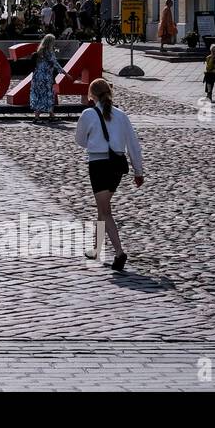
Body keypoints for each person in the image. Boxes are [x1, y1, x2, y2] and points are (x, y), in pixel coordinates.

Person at [74, 79, 144, 272]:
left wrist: (94, 140)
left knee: (105, 212)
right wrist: (138, 171)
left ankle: (119, 252)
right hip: (116, 166)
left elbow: (79, 140)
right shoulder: (121, 115)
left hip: (98, 165)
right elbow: (133, 145)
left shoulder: (88, 114)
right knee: (102, 208)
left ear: (91, 95)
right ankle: (96, 249)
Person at [30, 34, 62, 119]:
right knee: (48, 94)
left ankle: (44, 115)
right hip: (46, 77)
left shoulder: (40, 51)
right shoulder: (49, 51)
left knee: (38, 95)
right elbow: (55, 63)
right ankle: (47, 115)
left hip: (37, 76)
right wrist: (65, 73)